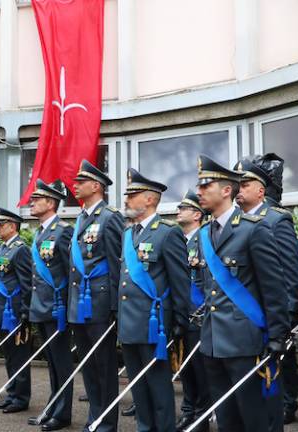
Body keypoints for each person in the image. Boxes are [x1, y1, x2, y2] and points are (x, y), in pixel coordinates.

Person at [195, 154, 289, 432]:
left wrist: (277, 335)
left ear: (226, 190)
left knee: (255, 418)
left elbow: (273, 287)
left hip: (246, 342)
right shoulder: (204, 233)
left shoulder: (254, 230)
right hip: (213, 342)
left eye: (205, 186)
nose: (199, 192)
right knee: (227, 420)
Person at [119, 169, 189, 432]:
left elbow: (179, 282)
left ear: (149, 199)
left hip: (154, 325)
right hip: (130, 322)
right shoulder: (128, 235)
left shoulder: (167, 233)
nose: (127, 200)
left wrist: (179, 321)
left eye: (132, 195)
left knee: (158, 386)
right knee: (138, 386)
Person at [235, 154, 298, 430]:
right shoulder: (234, 223)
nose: (239, 188)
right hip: (242, 320)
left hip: (269, 316)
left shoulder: (276, 220)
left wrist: (285, 317)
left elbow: (289, 271)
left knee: (271, 381)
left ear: (261, 189)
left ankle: (286, 404)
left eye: (245, 183)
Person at [68, 160, 124, 432]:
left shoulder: (110, 217)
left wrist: (115, 306)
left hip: (100, 303)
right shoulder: (81, 218)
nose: (75, 185)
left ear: (97, 186)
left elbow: (117, 264)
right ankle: (94, 417)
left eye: (81, 181)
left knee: (103, 365)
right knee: (88, 365)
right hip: (80, 303)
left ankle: (107, 422)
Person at [27, 180, 75, 431]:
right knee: (52, 364)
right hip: (42, 307)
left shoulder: (63, 231)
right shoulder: (40, 232)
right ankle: (53, 406)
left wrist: (67, 308)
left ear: (51, 203)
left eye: (37, 198)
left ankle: (63, 412)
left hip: (56, 309)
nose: (32, 202)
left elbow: (70, 271)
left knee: (62, 363)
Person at [0, 208, 33, 414]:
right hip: (2, 311)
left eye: (1, 224)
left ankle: (21, 397)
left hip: (14, 312)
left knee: (19, 356)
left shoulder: (20, 249)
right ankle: (12, 394)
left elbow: (26, 283)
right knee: (9, 356)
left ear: (12, 226)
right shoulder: (3, 248)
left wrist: (25, 311)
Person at [175, 189, 212, 432]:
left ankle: (201, 415)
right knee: (185, 368)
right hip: (182, 314)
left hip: (199, 315)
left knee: (200, 369)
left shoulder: (206, 238)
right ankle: (188, 411)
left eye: (183, 208)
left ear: (197, 214)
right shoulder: (179, 240)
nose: (178, 212)